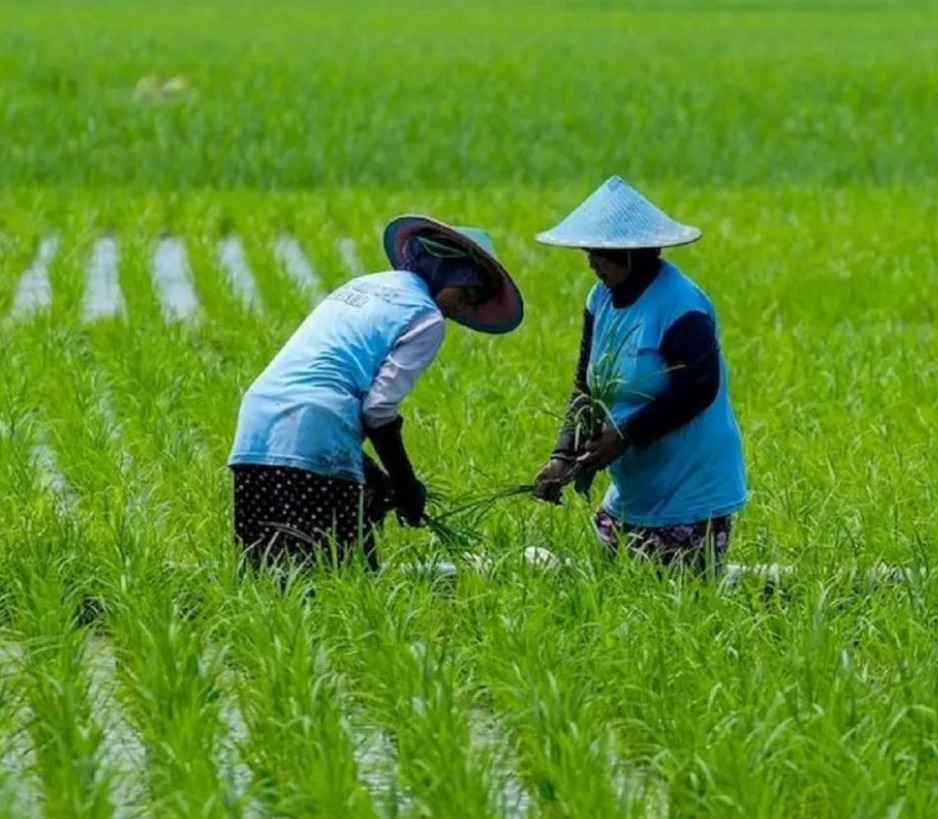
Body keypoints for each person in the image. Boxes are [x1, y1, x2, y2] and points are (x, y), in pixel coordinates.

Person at [228, 216, 524, 572]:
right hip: (314, 426)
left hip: (256, 427)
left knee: (268, 572)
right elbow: (378, 409)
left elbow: (327, 379)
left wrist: (376, 478)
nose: (461, 309)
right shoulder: (426, 317)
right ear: (445, 273)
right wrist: (406, 484)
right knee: (345, 580)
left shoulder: (364, 286)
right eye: (464, 294)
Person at [532, 175, 747, 574]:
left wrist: (627, 435)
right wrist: (563, 455)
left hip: (688, 485)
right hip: (635, 486)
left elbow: (699, 388)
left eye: (600, 253)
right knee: (612, 599)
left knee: (679, 611)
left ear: (633, 253)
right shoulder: (600, 299)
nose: (591, 262)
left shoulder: (681, 306)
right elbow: (586, 386)